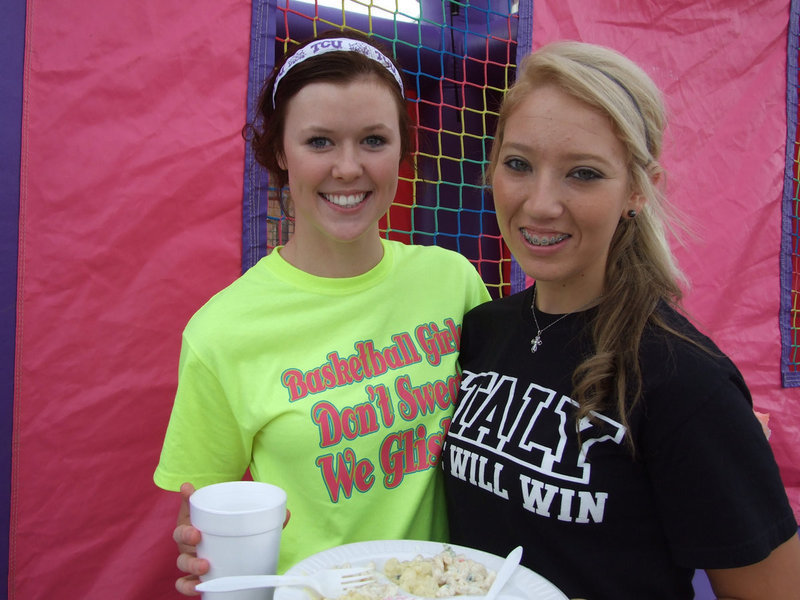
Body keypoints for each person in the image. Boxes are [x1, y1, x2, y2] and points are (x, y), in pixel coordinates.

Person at [441, 40, 800, 600]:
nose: (539, 203)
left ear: (638, 190)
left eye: (582, 174)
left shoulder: (684, 379)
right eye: (518, 164)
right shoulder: (483, 331)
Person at [154, 29, 490, 595]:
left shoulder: (452, 280)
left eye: (374, 140)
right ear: (281, 152)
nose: (348, 168)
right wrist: (205, 557)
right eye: (319, 142)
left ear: (403, 149)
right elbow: (203, 520)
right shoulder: (221, 332)